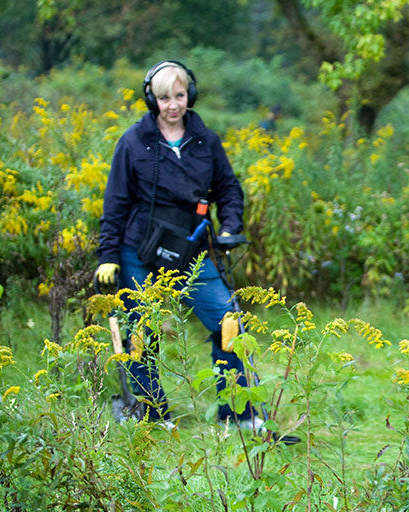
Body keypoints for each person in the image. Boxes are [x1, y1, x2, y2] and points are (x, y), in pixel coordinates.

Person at [95, 60, 262, 430]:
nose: (173, 105)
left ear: (191, 95)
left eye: (180, 96)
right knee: (140, 332)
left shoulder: (207, 141)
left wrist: (231, 225)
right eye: (164, 97)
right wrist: (108, 257)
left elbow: (229, 189)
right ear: (152, 99)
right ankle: (151, 415)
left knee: (228, 323)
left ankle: (238, 414)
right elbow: (116, 202)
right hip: (138, 247)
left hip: (191, 246)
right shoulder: (133, 142)